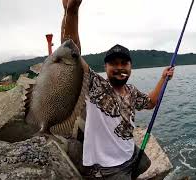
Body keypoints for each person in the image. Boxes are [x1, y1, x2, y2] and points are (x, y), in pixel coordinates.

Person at [61, 0, 174, 179]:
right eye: (114, 63)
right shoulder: (95, 85)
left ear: (131, 67)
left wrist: (163, 78)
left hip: (129, 154)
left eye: (124, 63)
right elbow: (70, 51)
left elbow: (151, 103)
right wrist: (72, 11)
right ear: (105, 67)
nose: (120, 68)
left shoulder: (132, 91)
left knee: (145, 163)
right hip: (109, 168)